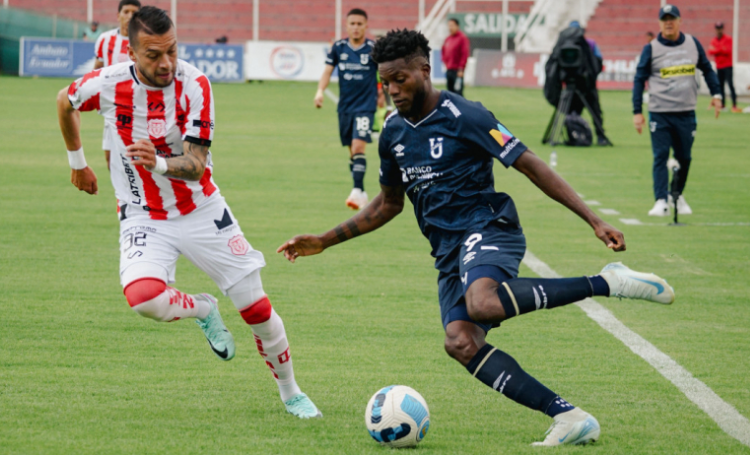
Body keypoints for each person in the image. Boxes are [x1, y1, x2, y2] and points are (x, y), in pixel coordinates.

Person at [279, 29, 675, 446]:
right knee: (461, 342)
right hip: (447, 250)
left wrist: (594, 220)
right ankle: (569, 417)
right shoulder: (393, 133)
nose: (393, 89)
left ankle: (606, 282)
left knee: (482, 303)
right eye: (386, 82)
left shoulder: (465, 114)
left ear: (424, 70)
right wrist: (324, 240)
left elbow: (530, 164)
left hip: (488, 224)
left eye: (401, 79)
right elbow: (388, 204)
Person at [56, 6, 321, 419]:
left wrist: (157, 163)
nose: (166, 63)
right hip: (143, 213)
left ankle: (291, 392)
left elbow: (196, 163)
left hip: (201, 209)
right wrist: (77, 162)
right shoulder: (108, 83)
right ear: (131, 52)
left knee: (257, 310)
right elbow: (65, 101)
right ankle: (203, 309)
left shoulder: (195, 83)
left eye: (172, 51)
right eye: (153, 55)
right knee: (143, 298)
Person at [633, 5, 722, 217]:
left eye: (672, 19)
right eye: (664, 20)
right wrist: (637, 111)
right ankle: (661, 200)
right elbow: (639, 79)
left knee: (685, 157)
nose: (668, 23)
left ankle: (677, 194)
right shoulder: (652, 48)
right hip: (660, 112)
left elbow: (707, 69)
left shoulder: (692, 43)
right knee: (661, 156)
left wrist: (717, 95)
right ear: (660, 23)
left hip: (686, 112)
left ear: (680, 21)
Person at [314, 8, 378, 210]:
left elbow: (385, 74)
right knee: (352, 152)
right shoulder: (338, 48)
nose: (356, 27)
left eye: (360, 24)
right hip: (345, 109)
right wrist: (320, 91)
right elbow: (327, 71)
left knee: (359, 147)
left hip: (365, 107)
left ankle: (357, 190)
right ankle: (361, 192)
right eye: (352, 24)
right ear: (347, 26)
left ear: (366, 26)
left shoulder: (374, 49)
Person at [94, 0, 141, 170]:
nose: (129, 16)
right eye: (126, 12)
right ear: (118, 15)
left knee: (136, 160)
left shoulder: (144, 40)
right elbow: (97, 69)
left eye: (134, 13)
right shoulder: (105, 40)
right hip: (112, 109)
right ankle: (123, 195)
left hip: (139, 109)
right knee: (111, 160)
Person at [567, 21, 610, 146]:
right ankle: (573, 135)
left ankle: (600, 136)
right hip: (574, 86)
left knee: (595, 113)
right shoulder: (566, 46)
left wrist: (590, 75)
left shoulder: (590, 44)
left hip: (587, 86)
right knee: (572, 113)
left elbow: (598, 62)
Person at [708, 22, 741, 113]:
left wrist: (717, 49)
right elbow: (710, 51)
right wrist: (721, 48)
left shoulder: (728, 39)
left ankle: (734, 105)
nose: (719, 30)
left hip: (728, 66)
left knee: (730, 85)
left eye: (720, 28)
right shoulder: (714, 40)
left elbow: (728, 50)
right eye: (717, 29)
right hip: (719, 66)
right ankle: (722, 105)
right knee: (721, 86)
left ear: (723, 29)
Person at [441, 18, 469, 97]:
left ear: (457, 26)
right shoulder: (448, 39)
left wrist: (461, 68)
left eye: (452, 25)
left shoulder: (462, 38)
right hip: (449, 70)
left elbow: (464, 54)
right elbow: (443, 51)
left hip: (457, 71)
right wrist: (445, 63)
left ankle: (461, 109)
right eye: (449, 25)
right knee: (450, 93)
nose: (450, 27)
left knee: (458, 93)